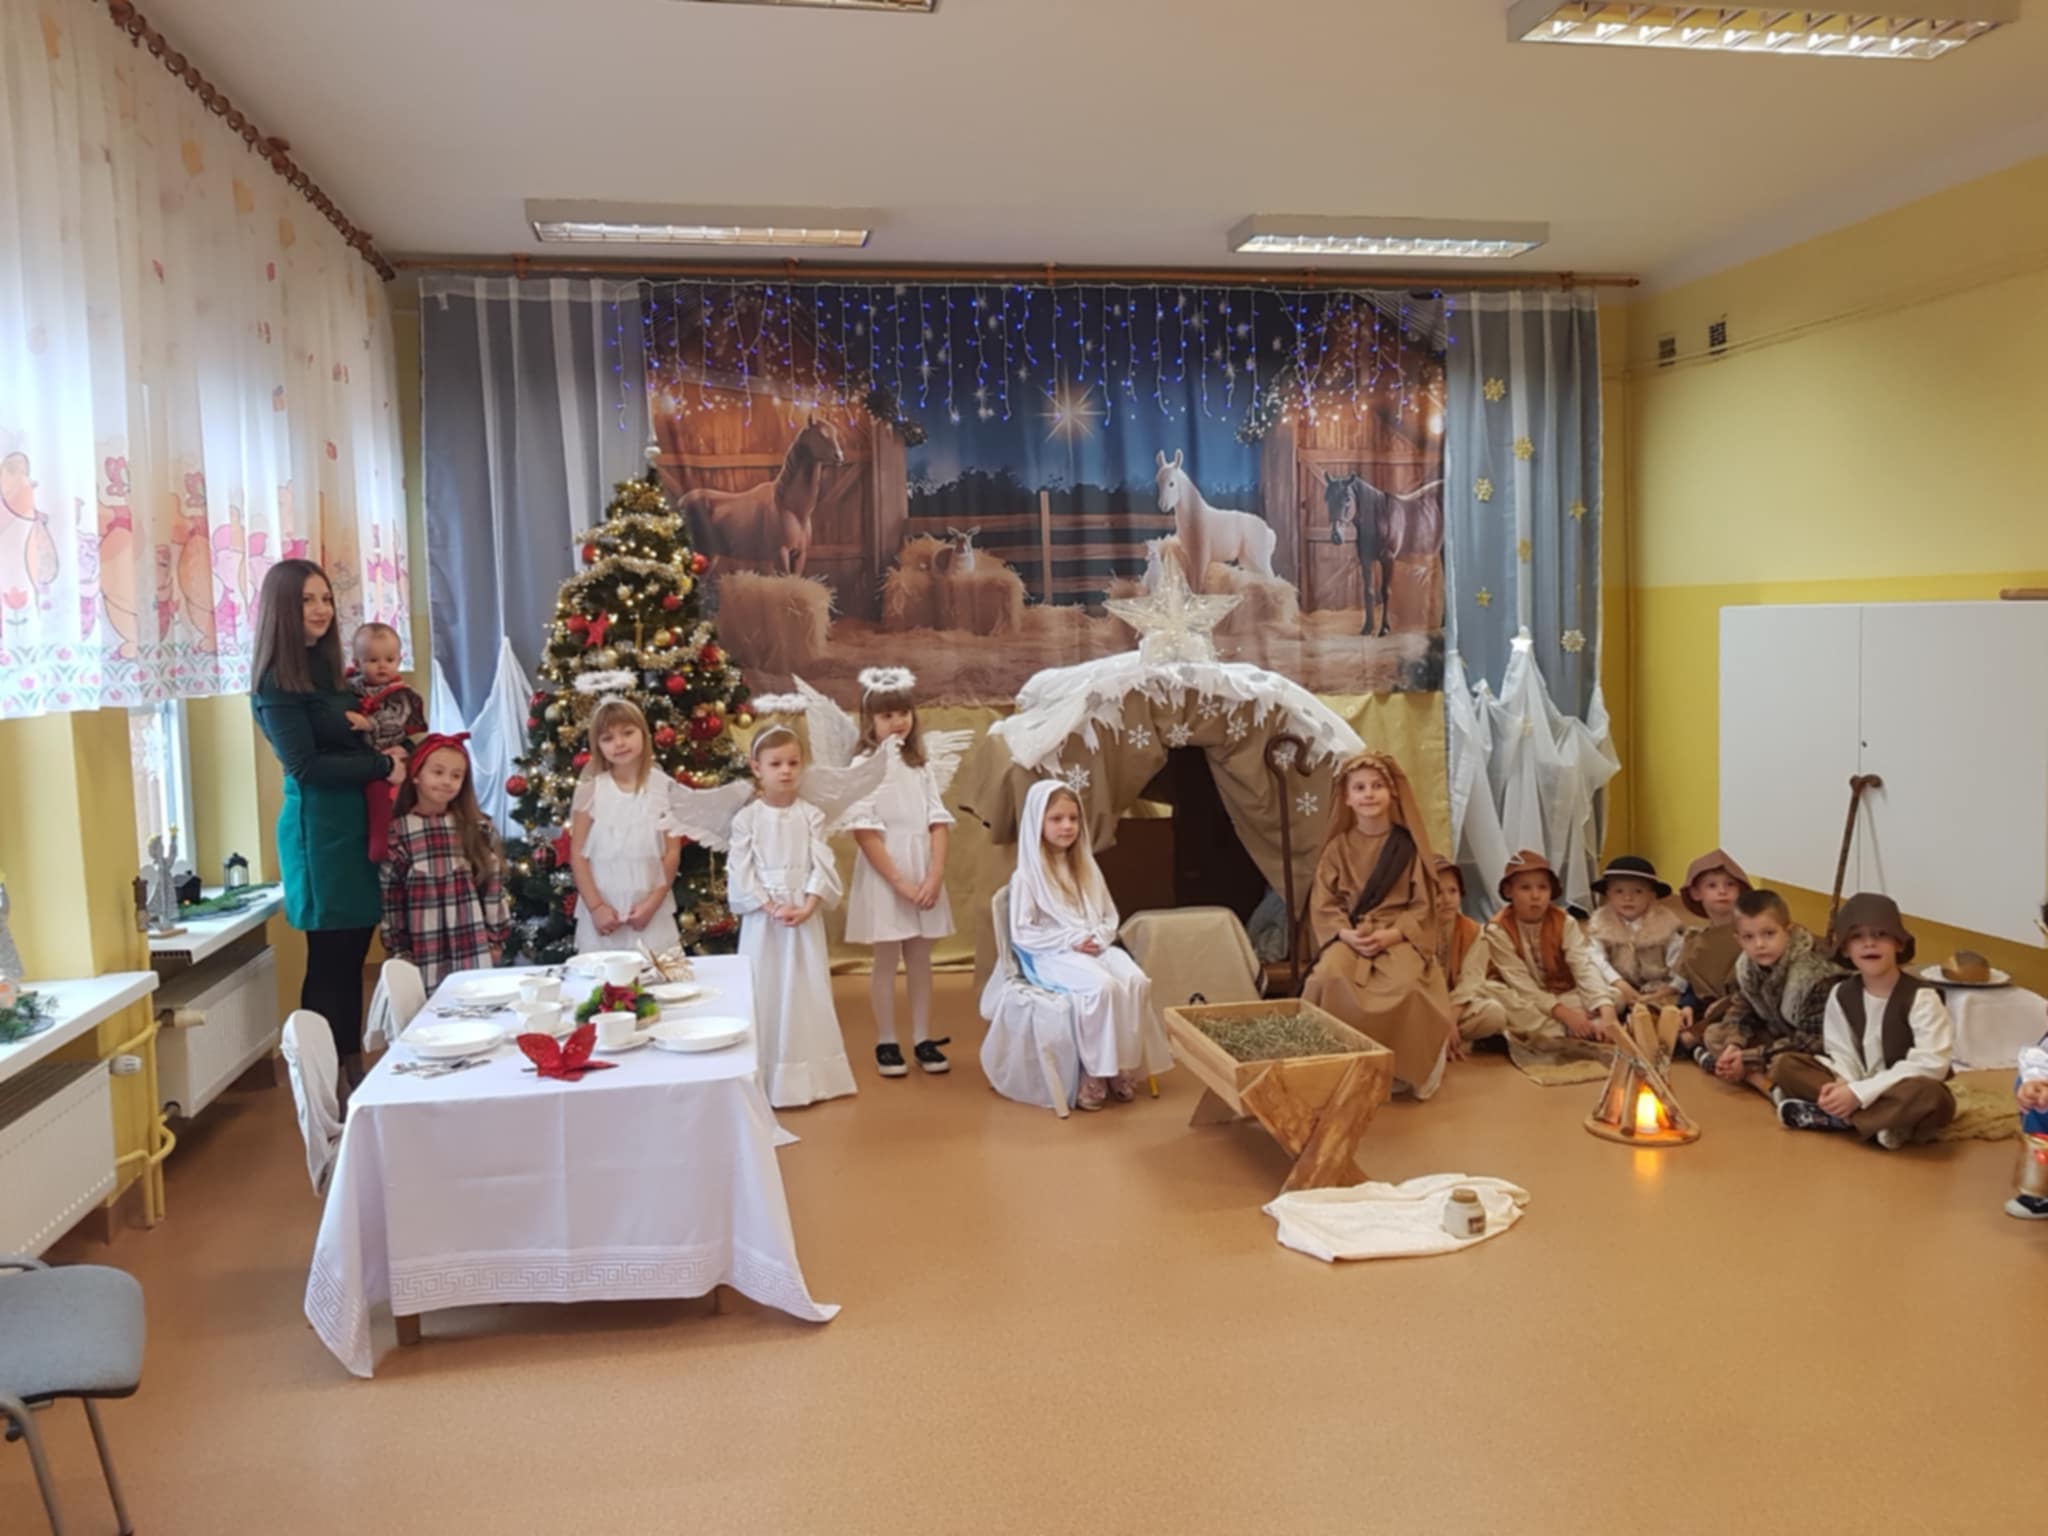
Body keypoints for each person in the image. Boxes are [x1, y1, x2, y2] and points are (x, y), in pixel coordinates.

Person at [251, 559, 406, 1083]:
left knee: (353, 955)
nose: (320, 610)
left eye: (325, 599)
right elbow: (306, 766)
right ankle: (325, 1083)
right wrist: (382, 766)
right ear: (282, 610)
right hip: (319, 835)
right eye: (306, 601)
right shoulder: (276, 684)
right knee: (331, 962)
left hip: (357, 826)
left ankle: (352, 1074)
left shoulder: (331, 672)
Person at [997, 779, 1169, 1112]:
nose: (1067, 826)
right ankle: (1094, 1070)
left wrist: (1100, 936)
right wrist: (1071, 940)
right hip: (1051, 954)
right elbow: (1023, 933)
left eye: (1073, 818)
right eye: (1056, 819)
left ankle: (1121, 1063)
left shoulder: (1087, 868)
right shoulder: (1027, 877)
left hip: (1093, 947)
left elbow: (1108, 915)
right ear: (1038, 822)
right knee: (1102, 987)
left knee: (1135, 980)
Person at [1301, 753, 1456, 1099]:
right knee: (1327, 978)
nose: (1369, 794)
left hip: (1397, 936)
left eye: (1377, 786)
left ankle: (1405, 1069)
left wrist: (1394, 934)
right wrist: (1345, 934)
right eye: (1360, 788)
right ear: (1347, 797)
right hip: (1350, 936)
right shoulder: (1337, 848)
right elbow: (1324, 903)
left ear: (1392, 793)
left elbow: (1422, 906)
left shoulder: (1407, 848)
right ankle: (1336, 1070)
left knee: (1408, 987)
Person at [727, 725, 857, 1108]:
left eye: (793, 763)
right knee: (764, 988)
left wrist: (809, 904)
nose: (785, 771)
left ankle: (810, 1075)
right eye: (775, 764)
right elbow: (741, 870)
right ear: (756, 767)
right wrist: (770, 906)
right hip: (763, 920)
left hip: (802, 915)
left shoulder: (811, 815)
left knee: (804, 989)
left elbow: (822, 863)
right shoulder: (747, 819)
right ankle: (763, 1074)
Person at [1772, 892, 1955, 1147]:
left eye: (1880, 935)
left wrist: (1859, 1094)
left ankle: (1841, 1119)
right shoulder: (1841, 993)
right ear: (1846, 950)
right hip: (1859, 1083)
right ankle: (1875, 1122)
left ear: (1899, 944)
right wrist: (1843, 1085)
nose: (1869, 944)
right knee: (1786, 1065)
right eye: (1857, 937)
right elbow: (1841, 1051)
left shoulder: (1922, 997)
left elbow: (1931, 1062)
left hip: (1900, 1087)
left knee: (1931, 1096)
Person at [844, 668, 955, 1079]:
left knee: (921, 959)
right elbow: (864, 831)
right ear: (870, 721)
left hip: (922, 869)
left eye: (903, 712)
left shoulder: (919, 765)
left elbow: (937, 821)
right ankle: (887, 1040)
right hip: (886, 874)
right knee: (887, 959)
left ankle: (923, 1037)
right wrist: (900, 883)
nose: (898, 722)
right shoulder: (863, 766)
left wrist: (934, 875)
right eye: (887, 715)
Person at [379, 733, 507, 992]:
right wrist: (398, 948)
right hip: (424, 948)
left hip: (473, 945)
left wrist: (495, 938)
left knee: (475, 1001)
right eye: (438, 772)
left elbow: (492, 886)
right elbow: (391, 895)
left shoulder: (476, 828)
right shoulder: (400, 831)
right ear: (416, 774)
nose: (447, 781)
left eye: (456, 776)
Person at [1479, 849, 1618, 1066]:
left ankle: (1562, 1029)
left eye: (1542, 887)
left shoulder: (1565, 922)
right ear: (1508, 891)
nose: (1535, 895)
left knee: (1615, 996)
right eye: (1525, 888)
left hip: (1563, 993)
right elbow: (1521, 984)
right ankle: (1574, 1028)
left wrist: (1608, 1013)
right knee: (1490, 993)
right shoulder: (1498, 929)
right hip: (1524, 998)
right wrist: (1566, 1016)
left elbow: (1583, 966)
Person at [568, 697, 682, 956]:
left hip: (650, 912)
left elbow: (671, 852)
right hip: (604, 914)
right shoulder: (590, 791)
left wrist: (651, 904)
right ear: (598, 746)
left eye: (627, 733)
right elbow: (578, 855)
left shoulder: (663, 787)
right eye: (608, 738)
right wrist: (596, 908)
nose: (619, 743)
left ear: (643, 733)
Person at [1699, 889, 1840, 1098]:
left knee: (1782, 1066)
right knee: (1715, 1035)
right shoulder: (1748, 967)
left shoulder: (1814, 975)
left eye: (1769, 934)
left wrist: (1751, 1056)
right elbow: (1743, 1006)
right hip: (1779, 1037)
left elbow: (1813, 1041)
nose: (1759, 944)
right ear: (1739, 940)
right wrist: (1734, 1045)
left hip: (1815, 1050)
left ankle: (1759, 1080)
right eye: (1749, 937)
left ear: (1788, 931)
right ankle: (1759, 1079)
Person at [347, 621, 426, 862]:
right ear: (357, 663)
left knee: (380, 794)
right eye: (373, 660)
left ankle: (380, 843)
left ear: (399, 660)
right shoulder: (351, 688)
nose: (382, 666)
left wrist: (369, 723)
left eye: (389, 660)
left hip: (391, 752)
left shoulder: (400, 693)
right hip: (364, 756)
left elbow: (397, 720)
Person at [1674, 849, 1751, 1058]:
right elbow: (1693, 982)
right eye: (1712, 886)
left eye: (1730, 885)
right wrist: (1687, 1006)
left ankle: (1699, 1049)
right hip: (1706, 1007)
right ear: (1696, 893)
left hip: (1742, 1007)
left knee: (1711, 1035)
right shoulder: (1696, 940)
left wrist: (1726, 1003)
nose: (1722, 891)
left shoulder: (1750, 935)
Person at [1585, 856, 1684, 1012]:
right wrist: (1618, 982)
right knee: (1604, 998)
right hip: (1616, 984)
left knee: (1672, 1008)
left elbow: (1681, 964)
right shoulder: (1601, 925)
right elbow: (1596, 959)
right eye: (1619, 891)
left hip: (1658, 988)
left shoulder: (1666, 927)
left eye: (1638, 891)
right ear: (1608, 895)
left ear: (1652, 896)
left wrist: (1668, 990)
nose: (1628, 898)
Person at [1433, 856, 1506, 1047]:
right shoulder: (1413, 930)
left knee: (1494, 1013)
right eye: (1438, 892)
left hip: (1456, 1006)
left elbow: (1470, 981)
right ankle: (1442, 1041)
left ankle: (1446, 1040)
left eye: (1453, 891)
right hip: (1425, 1008)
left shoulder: (1472, 931)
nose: (1447, 899)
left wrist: (1450, 1020)